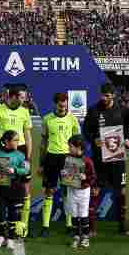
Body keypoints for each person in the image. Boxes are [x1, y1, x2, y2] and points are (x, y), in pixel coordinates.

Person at [82, 82, 129, 236]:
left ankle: (122, 226)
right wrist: (93, 139)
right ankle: (91, 227)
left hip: (117, 158)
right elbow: (86, 130)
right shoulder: (93, 110)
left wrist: (128, 139)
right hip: (99, 159)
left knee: (121, 192)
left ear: (113, 95)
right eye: (102, 95)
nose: (104, 98)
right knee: (95, 191)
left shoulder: (123, 110)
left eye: (107, 95)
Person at [0, 86, 33, 236]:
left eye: (25, 97)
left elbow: (28, 135)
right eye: (22, 97)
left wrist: (28, 157)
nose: (24, 100)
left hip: (21, 151)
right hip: (2, 153)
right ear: (12, 96)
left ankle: (22, 227)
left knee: (24, 189)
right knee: (1, 189)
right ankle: (0, 227)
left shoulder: (25, 111)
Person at [39, 92, 82, 236]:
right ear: (55, 104)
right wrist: (41, 163)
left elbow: (78, 143)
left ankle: (69, 225)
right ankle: (45, 226)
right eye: (60, 105)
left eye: (65, 104)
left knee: (67, 192)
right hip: (51, 158)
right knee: (49, 191)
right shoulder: (47, 119)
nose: (63, 107)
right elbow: (43, 142)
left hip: (68, 159)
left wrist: (78, 161)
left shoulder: (73, 119)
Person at [0, 129, 31, 250]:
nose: (17, 142)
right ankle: (1, 237)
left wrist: (15, 170)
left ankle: (11, 238)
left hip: (16, 188)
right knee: (1, 214)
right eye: (15, 140)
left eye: (18, 140)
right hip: (1, 188)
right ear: (7, 141)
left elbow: (26, 170)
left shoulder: (21, 155)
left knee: (13, 214)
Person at [61, 134, 98, 250]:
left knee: (83, 214)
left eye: (70, 147)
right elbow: (65, 173)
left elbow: (93, 177)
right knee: (74, 214)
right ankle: (76, 236)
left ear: (79, 148)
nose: (69, 149)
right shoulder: (68, 159)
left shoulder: (87, 161)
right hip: (71, 189)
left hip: (83, 192)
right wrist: (63, 174)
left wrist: (85, 177)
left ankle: (85, 237)